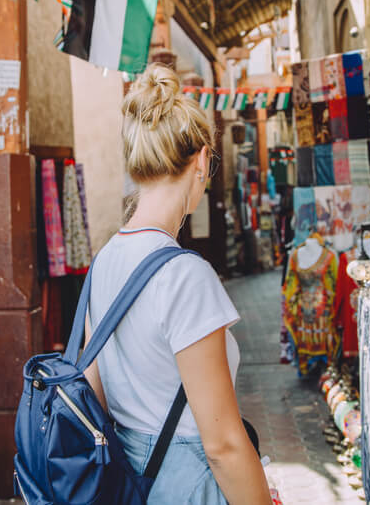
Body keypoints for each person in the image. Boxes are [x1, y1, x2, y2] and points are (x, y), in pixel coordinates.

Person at [83, 64, 273, 504]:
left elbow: (95, 393)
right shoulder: (186, 276)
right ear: (203, 160)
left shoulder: (105, 261)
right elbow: (223, 445)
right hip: (185, 486)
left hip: (128, 481)